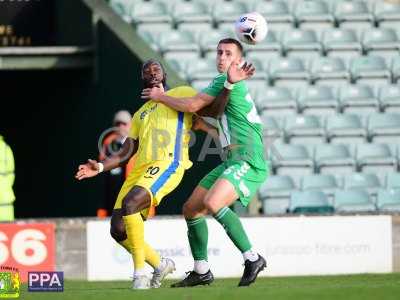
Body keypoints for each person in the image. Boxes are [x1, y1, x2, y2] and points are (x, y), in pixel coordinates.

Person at [75, 59, 242, 289]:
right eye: (147, 71)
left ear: (163, 74)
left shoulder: (181, 93)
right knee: (117, 228)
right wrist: (101, 167)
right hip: (140, 170)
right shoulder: (140, 114)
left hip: (168, 164)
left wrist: (229, 86)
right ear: (143, 79)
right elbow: (127, 150)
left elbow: (211, 110)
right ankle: (160, 263)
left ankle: (139, 274)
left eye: (156, 70)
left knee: (131, 202)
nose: (152, 73)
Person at [141, 38, 268, 287]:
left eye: (228, 54)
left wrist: (161, 97)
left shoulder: (227, 81)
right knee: (191, 209)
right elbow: (214, 111)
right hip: (232, 160)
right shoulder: (224, 83)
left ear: (238, 61)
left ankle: (252, 257)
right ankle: (202, 270)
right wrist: (204, 124)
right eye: (219, 52)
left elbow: (192, 104)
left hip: (248, 158)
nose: (221, 57)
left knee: (212, 202)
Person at [98, 110, 135, 217]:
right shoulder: (108, 144)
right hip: (113, 203)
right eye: (118, 124)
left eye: (124, 123)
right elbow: (103, 180)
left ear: (131, 125)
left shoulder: (138, 142)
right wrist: (102, 209)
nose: (121, 126)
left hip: (134, 201)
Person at [0, 135, 15, 222]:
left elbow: (11, 173)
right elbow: (11, 174)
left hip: (5, 201)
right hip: (6, 197)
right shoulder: (6, 149)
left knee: (7, 230)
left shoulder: (5, 149)